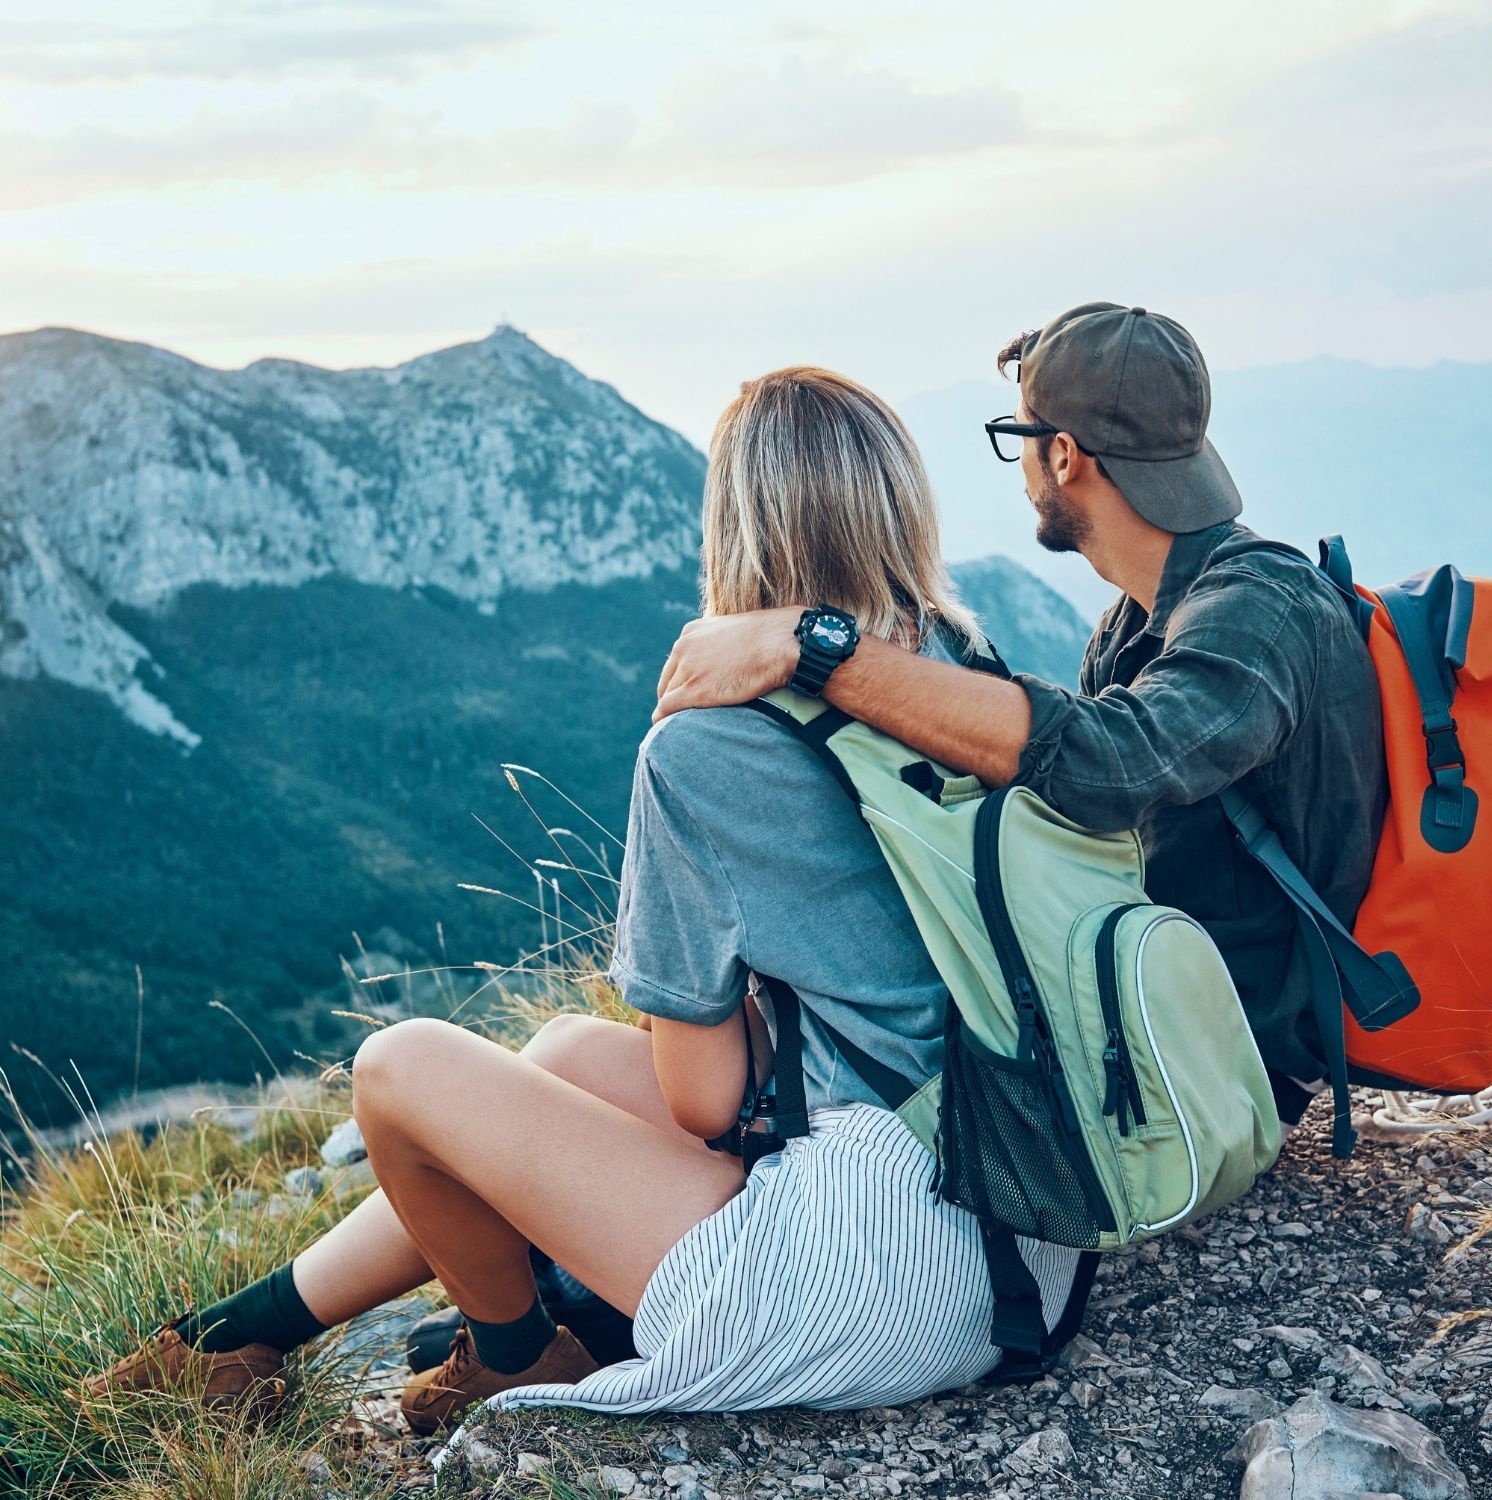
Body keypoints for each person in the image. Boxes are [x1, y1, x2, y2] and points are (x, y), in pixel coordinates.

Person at [81, 367, 1084, 1434]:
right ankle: (242, 1337)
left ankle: (511, 1353)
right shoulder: (961, 676)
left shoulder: (704, 746)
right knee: (558, 1052)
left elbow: (703, 1102)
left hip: (882, 1272)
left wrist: (735, 988)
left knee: (399, 1068)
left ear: (736, 523)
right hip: (1023, 1222)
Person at [655, 302, 1386, 1138]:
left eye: (1019, 435)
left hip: (1223, 1057)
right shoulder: (1141, 621)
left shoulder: (1261, 608)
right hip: (1154, 1019)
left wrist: (813, 645)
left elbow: (1115, 768)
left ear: (1063, 456)